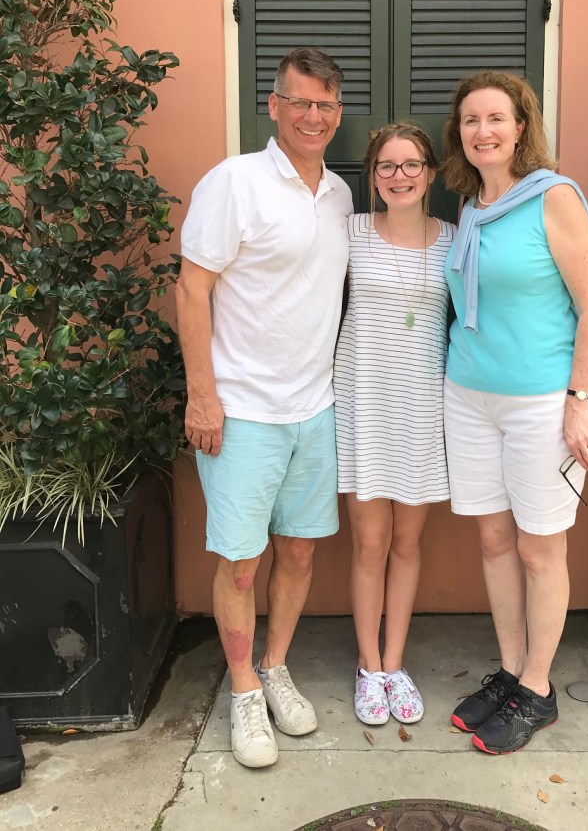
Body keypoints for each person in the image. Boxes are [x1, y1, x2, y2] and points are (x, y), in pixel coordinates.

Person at [176, 47, 353, 769]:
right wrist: (202, 396)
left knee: (300, 549)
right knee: (242, 562)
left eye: (326, 105)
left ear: (338, 114)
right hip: (242, 411)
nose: (313, 116)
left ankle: (275, 665)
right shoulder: (235, 182)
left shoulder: (339, 194)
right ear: (273, 105)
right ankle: (243, 688)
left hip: (316, 408)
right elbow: (192, 289)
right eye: (300, 101)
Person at [442, 70, 588, 755]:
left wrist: (580, 399)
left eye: (495, 118)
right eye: (470, 120)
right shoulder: (471, 207)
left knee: (540, 547)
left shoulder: (553, 196)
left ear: (520, 127)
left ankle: (537, 689)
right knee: (493, 542)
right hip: (468, 396)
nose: (482, 130)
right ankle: (511, 673)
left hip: (541, 399)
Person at [334, 123, 455, 726]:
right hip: (362, 403)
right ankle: (369, 667)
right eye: (386, 165)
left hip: (422, 406)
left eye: (411, 165)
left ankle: (396, 662)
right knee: (370, 544)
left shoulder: (455, 238)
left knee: (407, 544)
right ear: (372, 175)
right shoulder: (349, 231)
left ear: (430, 173)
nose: (399, 176)